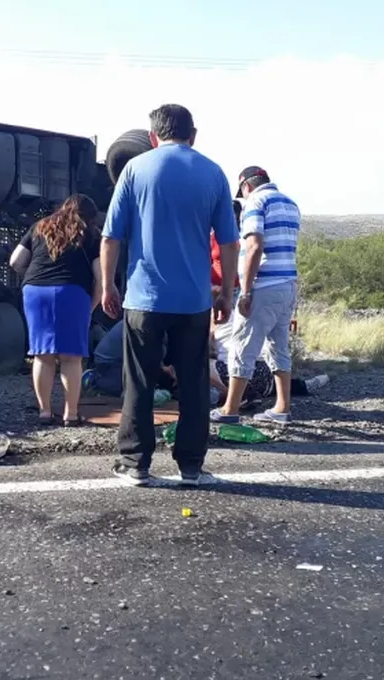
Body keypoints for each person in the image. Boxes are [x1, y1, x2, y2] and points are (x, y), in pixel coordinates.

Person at [100, 103, 240, 487]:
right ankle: (191, 466)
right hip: (194, 301)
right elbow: (229, 242)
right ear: (193, 135)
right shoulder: (213, 172)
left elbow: (111, 235)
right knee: (194, 384)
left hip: (144, 299)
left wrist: (107, 285)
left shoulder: (134, 169)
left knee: (140, 382)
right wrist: (226, 293)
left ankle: (135, 465)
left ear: (152, 137)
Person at [210, 166, 300, 426]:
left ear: (246, 186)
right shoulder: (290, 203)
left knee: (243, 345)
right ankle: (282, 407)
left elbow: (254, 246)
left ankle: (230, 409)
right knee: (278, 346)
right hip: (287, 284)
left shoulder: (256, 202)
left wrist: (246, 291)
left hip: (263, 285)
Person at [9, 194, 102, 427]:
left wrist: (33, 276)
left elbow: (15, 261)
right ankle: (71, 414)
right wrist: (91, 305)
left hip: (35, 291)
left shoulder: (39, 226)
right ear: (90, 216)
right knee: (71, 357)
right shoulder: (91, 234)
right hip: (72, 292)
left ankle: (45, 412)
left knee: (42, 354)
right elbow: (100, 277)